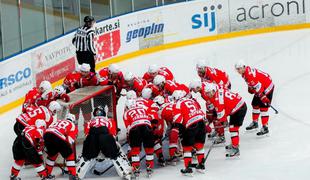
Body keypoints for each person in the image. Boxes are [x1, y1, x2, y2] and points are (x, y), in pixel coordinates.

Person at [77, 106, 131, 180]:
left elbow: (86, 136)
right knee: (116, 154)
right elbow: (113, 136)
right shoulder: (109, 120)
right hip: (105, 138)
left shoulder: (89, 122)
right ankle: (125, 172)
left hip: (92, 138)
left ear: (94, 114)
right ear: (104, 113)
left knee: (86, 156)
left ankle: (78, 174)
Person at [204, 83, 247, 157]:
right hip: (237, 106)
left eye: (209, 93)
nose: (208, 95)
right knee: (233, 128)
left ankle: (235, 149)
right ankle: (234, 144)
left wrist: (222, 122)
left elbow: (221, 114)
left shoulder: (217, 100)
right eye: (207, 93)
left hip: (239, 109)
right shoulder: (218, 90)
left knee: (233, 129)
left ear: (213, 91)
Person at [170, 90, 206, 175]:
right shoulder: (191, 100)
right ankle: (201, 165)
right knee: (199, 144)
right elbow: (200, 109)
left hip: (190, 124)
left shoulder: (177, 104)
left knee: (187, 147)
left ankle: (188, 168)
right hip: (201, 122)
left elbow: (179, 119)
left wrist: (180, 131)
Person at [235, 60, 274, 136]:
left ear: (244, 67)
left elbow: (258, 87)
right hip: (261, 86)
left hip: (267, 87)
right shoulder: (245, 72)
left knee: (263, 107)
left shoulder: (248, 75)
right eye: (237, 69)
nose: (238, 70)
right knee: (255, 104)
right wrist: (250, 87)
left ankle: (265, 127)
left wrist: (263, 97)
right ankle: (255, 122)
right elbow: (255, 83)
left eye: (239, 68)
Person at [123, 99, 154, 178]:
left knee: (135, 150)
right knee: (149, 149)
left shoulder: (126, 113)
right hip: (147, 126)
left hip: (135, 128)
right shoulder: (142, 108)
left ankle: (136, 168)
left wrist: (130, 139)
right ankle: (149, 167)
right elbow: (151, 117)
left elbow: (128, 127)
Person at [44, 114, 78, 179]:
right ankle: (73, 175)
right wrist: (65, 149)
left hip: (47, 134)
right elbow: (70, 140)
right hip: (58, 136)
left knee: (52, 155)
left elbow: (49, 129)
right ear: (73, 120)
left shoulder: (58, 121)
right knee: (69, 155)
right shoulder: (73, 125)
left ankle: (47, 175)